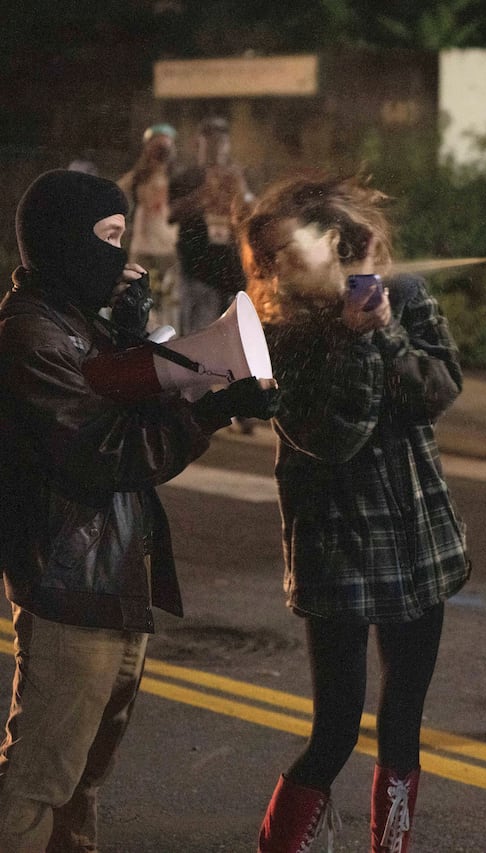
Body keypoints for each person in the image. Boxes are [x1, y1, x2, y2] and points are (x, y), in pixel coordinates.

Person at [0, 169, 279, 852]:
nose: (123, 260)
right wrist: (210, 409)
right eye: (110, 238)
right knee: (39, 782)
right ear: (64, 243)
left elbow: (125, 413)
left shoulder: (76, 325)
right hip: (71, 584)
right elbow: (106, 453)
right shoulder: (31, 336)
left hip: (115, 580)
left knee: (84, 783)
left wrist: (135, 341)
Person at [240, 175, 470, 853]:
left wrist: (386, 330)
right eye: (270, 257)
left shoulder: (405, 298)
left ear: (334, 239)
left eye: (291, 246)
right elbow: (334, 435)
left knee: (402, 718)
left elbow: (438, 389)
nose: (281, 265)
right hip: (335, 547)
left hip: (416, 542)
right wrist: (352, 338)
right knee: (336, 726)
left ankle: (389, 843)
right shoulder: (279, 331)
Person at [169, 116, 253, 336]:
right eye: (210, 140)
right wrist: (204, 193)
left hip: (232, 269)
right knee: (199, 338)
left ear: (228, 144)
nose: (216, 146)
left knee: (233, 338)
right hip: (198, 269)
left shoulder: (239, 174)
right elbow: (171, 215)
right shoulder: (186, 177)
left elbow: (252, 213)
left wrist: (239, 188)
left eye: (221, 140)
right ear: (200, 143)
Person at [117, 123, 181, 330]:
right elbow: (118, 191)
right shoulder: (139, 176)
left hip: (169, 248)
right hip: (143, 247)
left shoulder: (177, 176)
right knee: (143, 295)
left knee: (171, 299)